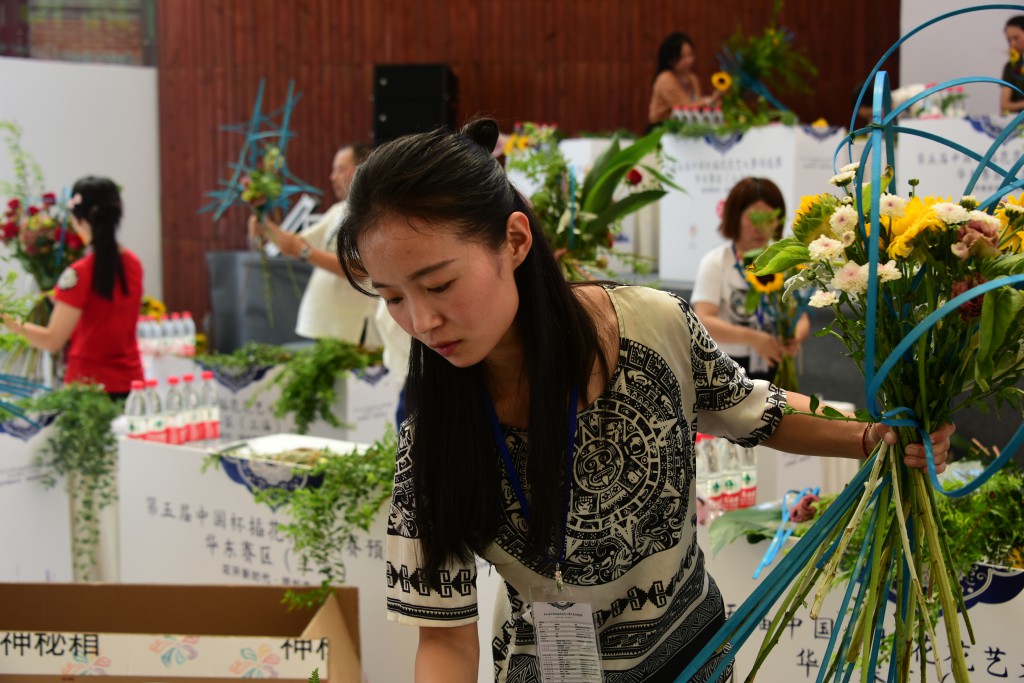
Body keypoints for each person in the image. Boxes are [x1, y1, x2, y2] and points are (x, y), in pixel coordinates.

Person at [335, 120, 953, 683]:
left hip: (692, 656)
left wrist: (878, 435)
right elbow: (443, 639)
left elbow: (755, 410)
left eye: (439, 284)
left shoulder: (650, 327)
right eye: (392, 298)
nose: (422, 320)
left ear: (515, 241)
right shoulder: (436, 433)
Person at [1, 176, 143, 400]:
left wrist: (7, 320)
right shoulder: (133, 264)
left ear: (78, 219)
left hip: (87, 389)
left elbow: (52, 341)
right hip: (132, 386)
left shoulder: (79, 273)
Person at [248, 143, 379, 344]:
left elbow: (358, 270)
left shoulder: (371, 214)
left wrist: (305, 251)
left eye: (340, 169)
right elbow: (289, 245)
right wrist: (263, 219)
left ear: (362, 169)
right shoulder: (338, 211)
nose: (332, 177)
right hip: (326, 323)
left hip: (350, 326)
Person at [691, 177, 810, 382]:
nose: (761, 227)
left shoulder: (785, 261)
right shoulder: (716, 262)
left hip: (774, 362)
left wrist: (794, 336)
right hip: (725, 366)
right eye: (753, 218)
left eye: (768, 218)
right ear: (734, 217)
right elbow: (703, 320)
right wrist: (754, 339)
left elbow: (799, 315)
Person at [648, 32, 722, 129]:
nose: (689, 60)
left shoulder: (693, 78)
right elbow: (684, 107)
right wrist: (710, 100)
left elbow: (697, 105)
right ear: (671, 60)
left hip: (687, 126)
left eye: (690, 55)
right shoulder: (665, 79)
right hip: (663, 128)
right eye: (683, 57)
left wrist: (715, 101)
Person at [999, 15, 1024, 114]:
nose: (1012, 44)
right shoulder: (1010, 67)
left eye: (1016, 38)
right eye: (1009, 40)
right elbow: (1004, 106)